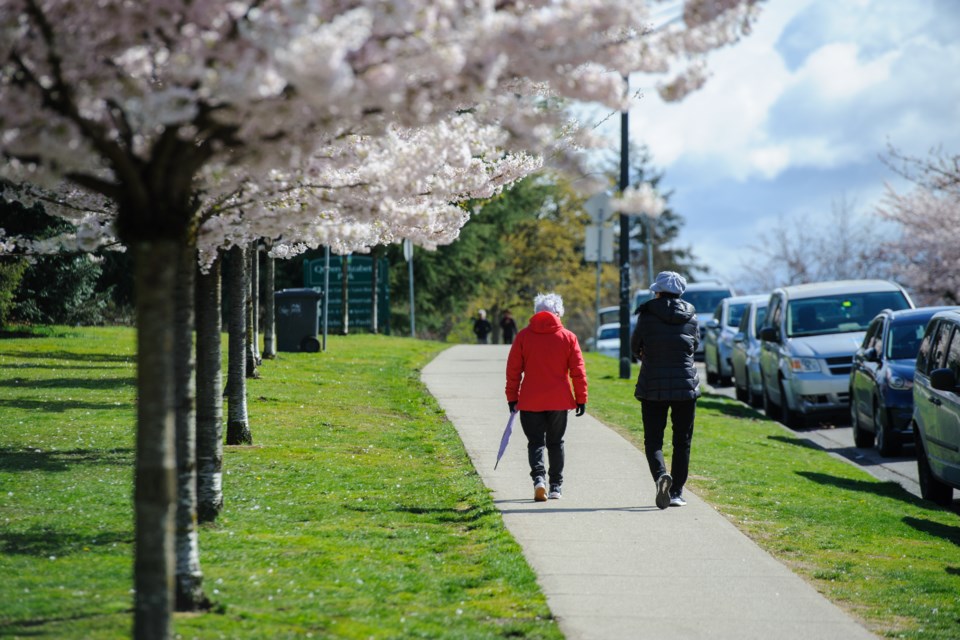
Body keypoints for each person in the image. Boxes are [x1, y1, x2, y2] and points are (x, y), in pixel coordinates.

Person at [505, 293, 588, 501]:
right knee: (556, 442)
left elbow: (513, 370)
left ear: (536, 312)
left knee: (535, 443)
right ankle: (555, 486)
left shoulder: (523, 336)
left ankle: (539, 479)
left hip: (530, 400)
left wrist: (511, 397)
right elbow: (577, 371)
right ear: (558, 313)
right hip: (559, 401)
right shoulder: (568, 337)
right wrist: (581, 398)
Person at [630, 271, 700, 509]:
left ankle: (661, 476)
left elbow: (634, 346)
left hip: (653, 386)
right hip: (685, 387)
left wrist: (646, 355)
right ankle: (677, 491)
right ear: (680, 293)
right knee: (682, 441)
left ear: (657, 291)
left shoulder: (647, 315)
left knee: (654, 440)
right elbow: (694, 346)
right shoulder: (691, 316)